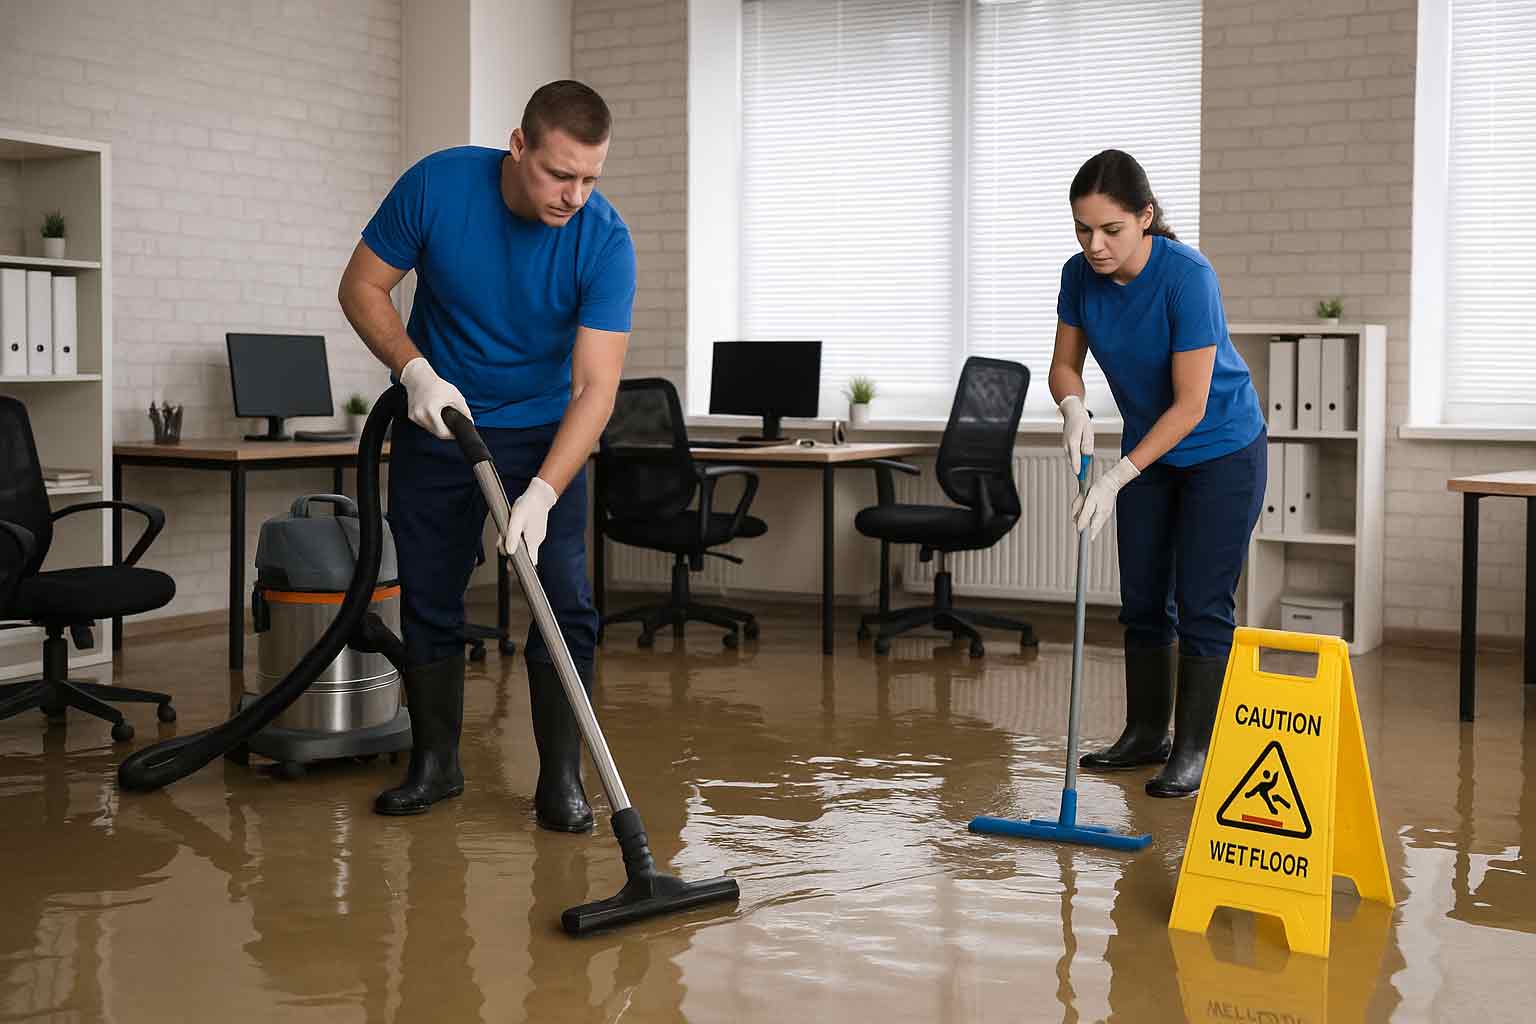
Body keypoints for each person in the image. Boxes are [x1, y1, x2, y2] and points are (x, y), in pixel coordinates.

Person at [338, 80, 636, 828]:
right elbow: (362, 286)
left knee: (565, 602)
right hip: (440, 418)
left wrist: (541, 492)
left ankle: (560, 782)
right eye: (559, 174)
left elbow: (595, 390)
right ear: (518, 145)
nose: (575, 195)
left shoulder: (603, 238)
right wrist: (415, 371)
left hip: (543, 434)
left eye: (590, 177)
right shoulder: (439, 185)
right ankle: (436, 765)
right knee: (432, 595)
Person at [1049, 149, 1265, 798]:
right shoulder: (1078, 276)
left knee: (1202, 604)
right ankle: (1147, 734)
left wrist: (1116, 477)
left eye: (1110, 230)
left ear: (1145, 217)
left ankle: (1193, 751)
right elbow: (1064, 364)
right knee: (1143, 600)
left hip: (1221, 450)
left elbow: (1192, 404)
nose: (1095, 245)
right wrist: (1072, 404)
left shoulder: (1187, 276)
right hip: (1150, 448)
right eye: (1083, 229)